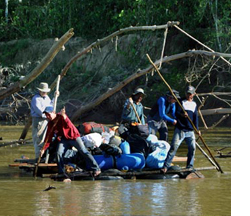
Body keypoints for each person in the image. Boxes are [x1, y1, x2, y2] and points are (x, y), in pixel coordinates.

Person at [41, 106, 101, 179]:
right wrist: (43, 149)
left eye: (48, 114)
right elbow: (48, 137)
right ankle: (61, 171)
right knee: (58, 153)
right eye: (46, 115)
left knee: (83, 151)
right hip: (64, 139)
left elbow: (69, 125)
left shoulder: (62, 117)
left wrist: (64, 116)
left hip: (74, 137)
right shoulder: (50, 123)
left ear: (53, 112)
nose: (47, 116)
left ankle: (96, 168)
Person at [162, 86, 201, 172]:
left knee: (192, 148)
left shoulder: (194, 104)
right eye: (187, 93)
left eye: (190, 94)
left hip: (190, 130)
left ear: (194, 94)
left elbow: (195, 118)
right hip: (180, 129)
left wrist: (197, 129)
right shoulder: (180, 102)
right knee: (173, 147)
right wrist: (182, 115)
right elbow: (176, 113)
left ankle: (189, 166)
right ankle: (166, 166)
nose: (188, 95)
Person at [30, 82, 57, 159]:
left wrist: (55, 97)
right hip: (39, 121)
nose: (44, 92)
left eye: (45, 91)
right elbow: (40, 112)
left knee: (46, 138)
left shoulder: (47, 97)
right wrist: (49, 115)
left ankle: (43, 157)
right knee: (39, 140)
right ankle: (38, 158)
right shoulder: (36, 99)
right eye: (43, 91)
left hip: (46, 120)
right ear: (39, 91)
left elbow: (51, 106)